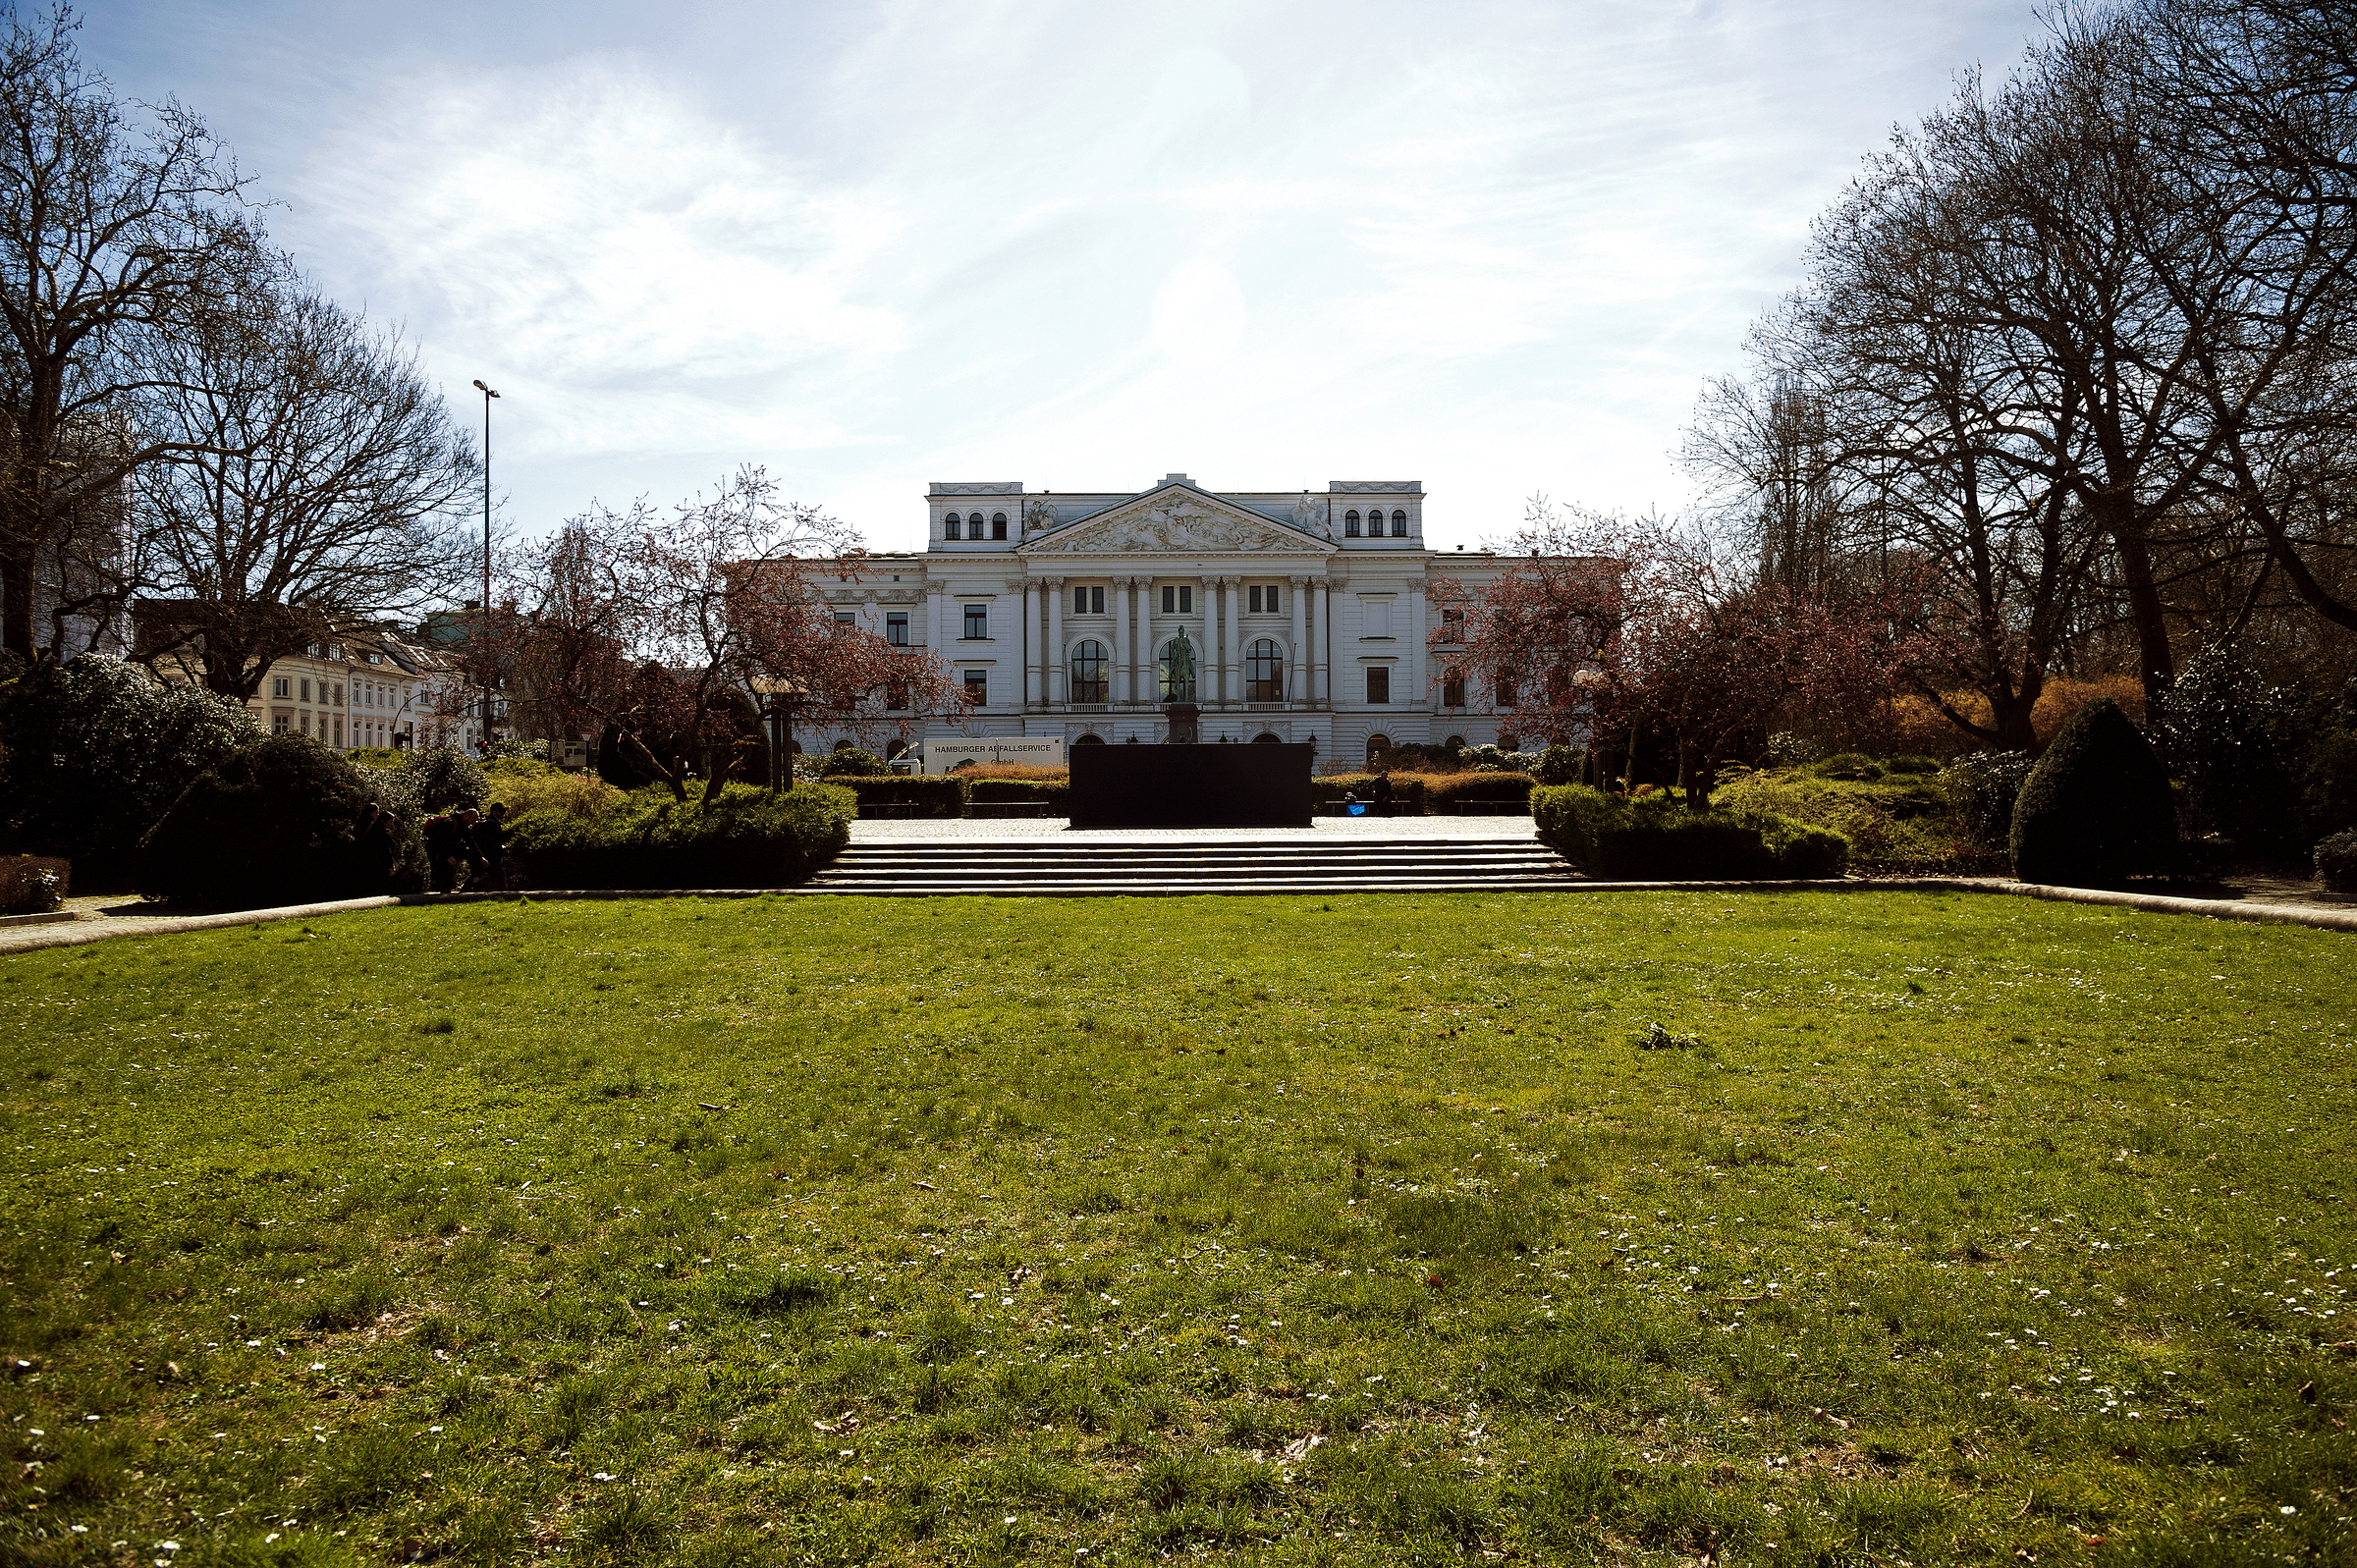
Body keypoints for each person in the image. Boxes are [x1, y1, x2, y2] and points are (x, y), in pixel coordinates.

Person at [421, 807, 484, 893]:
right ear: (466, 817)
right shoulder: (449, 823)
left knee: (472, 854)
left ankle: (476, 880)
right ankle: (445, 895)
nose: (473, 823)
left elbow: (470, 842)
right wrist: (448, 857)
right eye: (472, 821)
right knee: (445, 874)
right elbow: (436, 842)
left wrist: (481, 856)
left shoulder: (464, 826)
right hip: (439, 852)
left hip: (451, 850)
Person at [354, 804, 398, 893]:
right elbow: (385, 849)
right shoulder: (373, 830)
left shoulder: (374, 829)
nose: (377, 815)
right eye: (376, 813)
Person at [471, 802, 508, 891]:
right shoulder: (492, 824)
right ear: (493, 811)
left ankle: (462, 894)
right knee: (500, 878)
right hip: (492, 856)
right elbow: (490, 841)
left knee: (476, 875)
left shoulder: (485, 822)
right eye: (501, 811)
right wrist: (499, 849)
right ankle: (505, 896)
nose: (503, 814)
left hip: (483, 854)